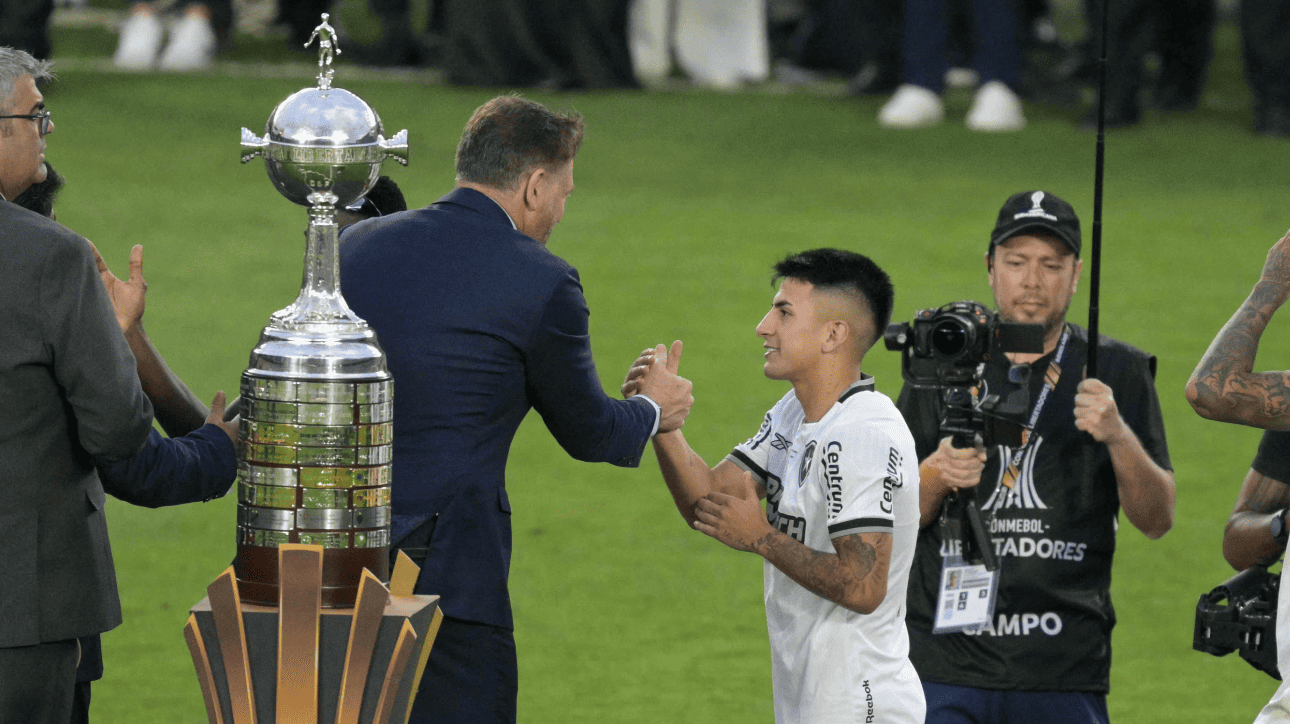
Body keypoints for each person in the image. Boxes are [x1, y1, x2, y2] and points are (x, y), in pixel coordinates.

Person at [338, 94, 693, 724]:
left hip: (323, 569)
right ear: (533, 185)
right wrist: (651, 408)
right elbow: (591, 432)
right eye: (564, 193)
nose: (561, 210)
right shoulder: (542, 280)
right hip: (445, 586)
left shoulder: (354, 245)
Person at [0, 50, 236, 723]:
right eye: (35, 115)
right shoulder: (51, 258)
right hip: (25, 624)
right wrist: (218, 446)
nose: (48, 129)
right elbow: (118, 436)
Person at [897, 190, 1175, 723]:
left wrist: (1117, 435)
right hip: (944, 664)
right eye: (1017, 262)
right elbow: (889, 517)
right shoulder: (943, 357)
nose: (1032, 280)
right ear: (990, 267)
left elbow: (1158, 519)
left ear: (1075, 276)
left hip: (1062, 665)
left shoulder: (1117, 370)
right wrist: (935, 473)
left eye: (1051, 265)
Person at [624, 248, 925, 723]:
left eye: (784, 311)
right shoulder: (793, 412)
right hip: (810, 697)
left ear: (833, 334)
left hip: (860, 701)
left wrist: (764, 538)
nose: (764, 325)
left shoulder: (863, 435)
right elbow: (709, 503)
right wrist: (660, 419)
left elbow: (865, 586)